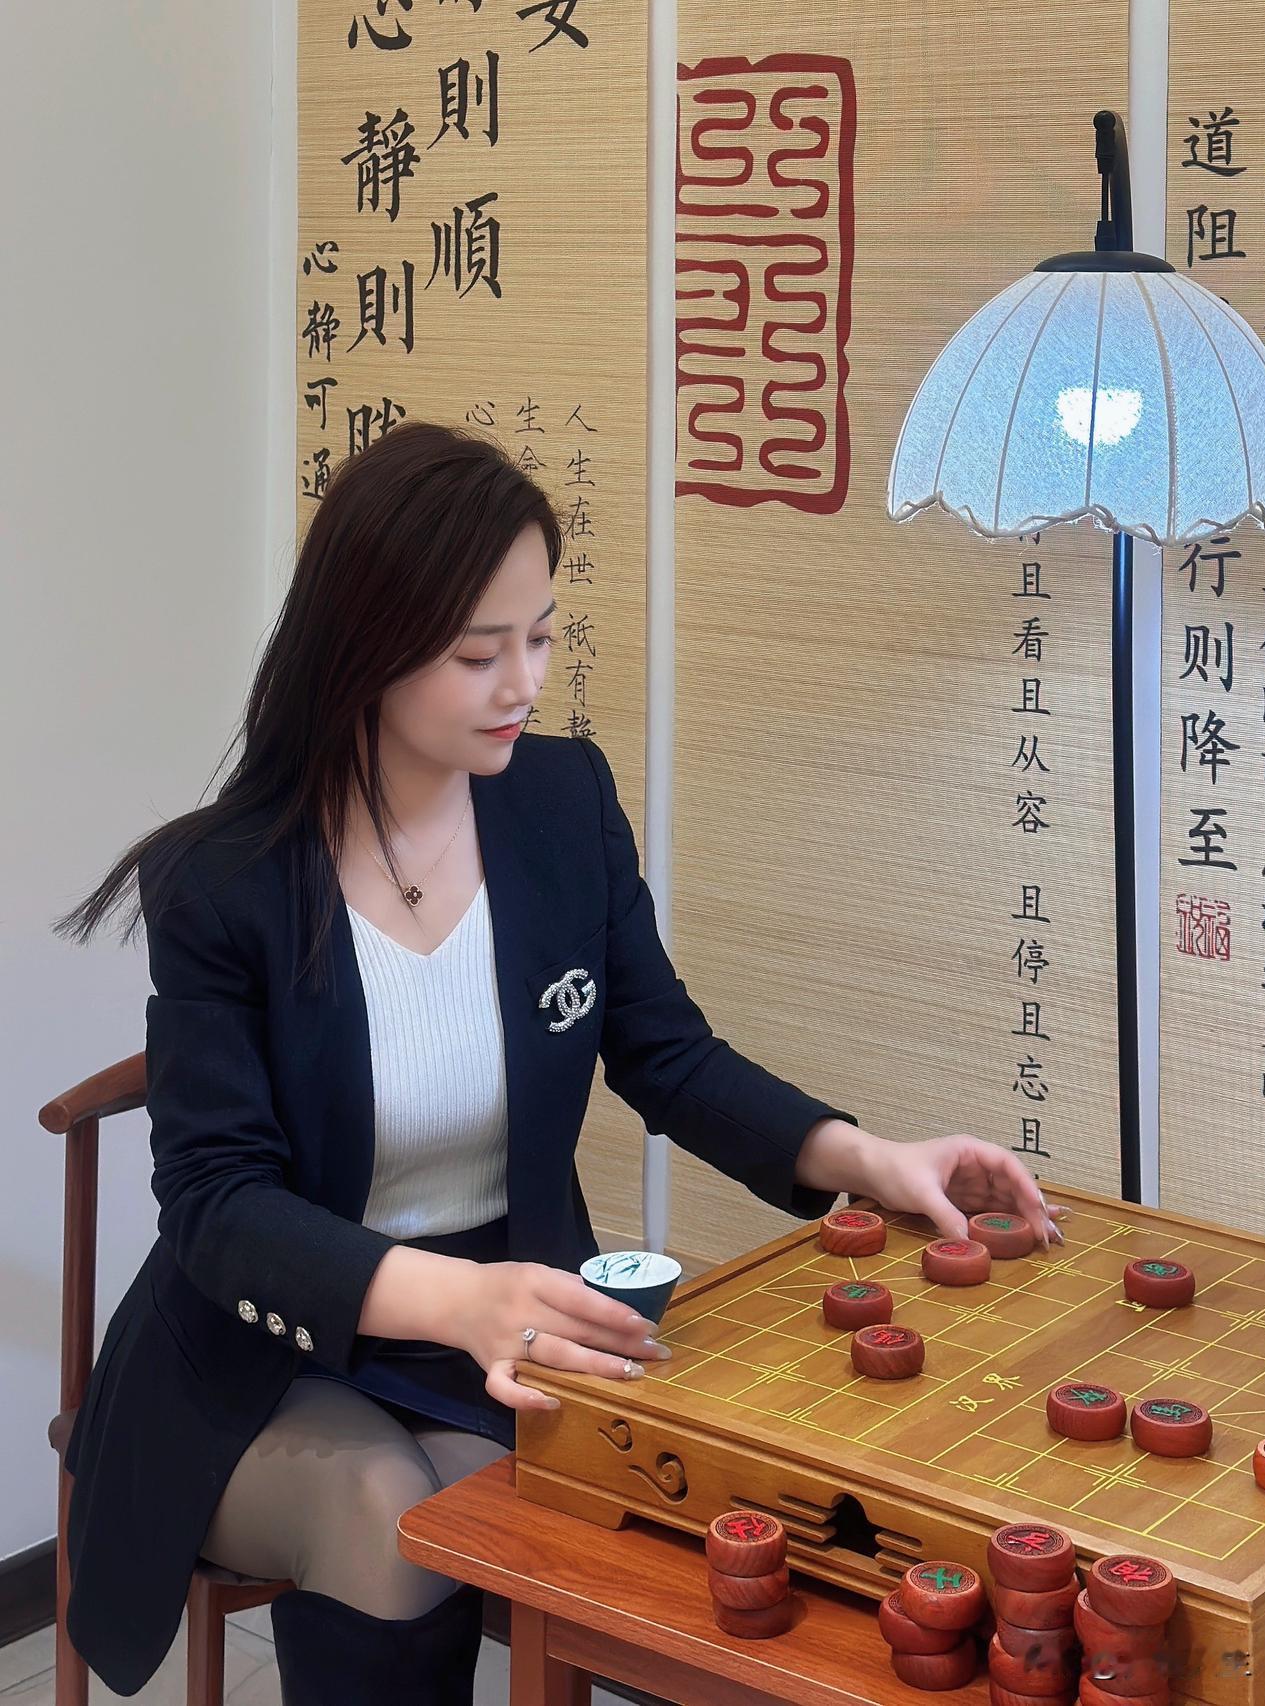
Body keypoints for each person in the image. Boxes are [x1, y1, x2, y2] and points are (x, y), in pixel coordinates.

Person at [53, 421, 1067, 1704]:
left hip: (503, 1312)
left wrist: (866, 1158)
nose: (523, 681)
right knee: (388, 1519)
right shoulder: (224, 880)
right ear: (363, 645)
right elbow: (219, 1205)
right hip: (262, 1344)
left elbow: (668, 1053)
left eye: (538, 635)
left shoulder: (557, 803)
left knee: (547, 1521)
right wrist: (456, 1300)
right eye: (479, 652)